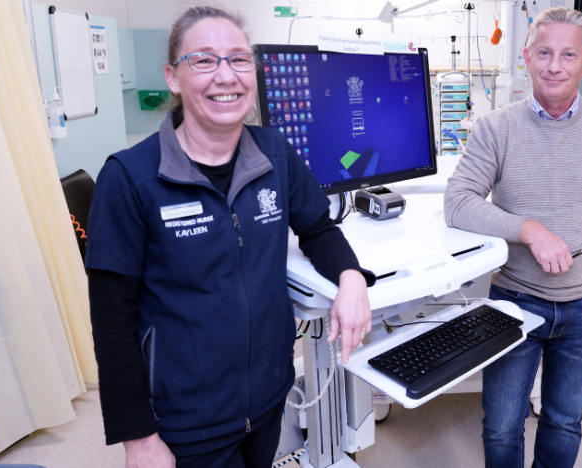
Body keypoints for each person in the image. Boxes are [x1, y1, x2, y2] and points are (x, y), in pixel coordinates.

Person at [85, 6, 374, 468]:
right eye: (203, 60)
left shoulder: (276, 154)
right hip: (186, 421)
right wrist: (137, 436)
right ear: (173, 78)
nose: (226, 76)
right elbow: (111, 323)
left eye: (239, 60)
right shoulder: (130, 180)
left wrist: (352, 278)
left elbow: (318, 228)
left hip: (266, 401)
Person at [444, 7, 582, 468]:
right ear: (526, 57)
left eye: (568, 54)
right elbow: (459, 201)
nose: (554, 66)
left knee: (564, 420)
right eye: (544, 53)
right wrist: (528, 229)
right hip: (514, 300)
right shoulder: (495, 128)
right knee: (501, 424)